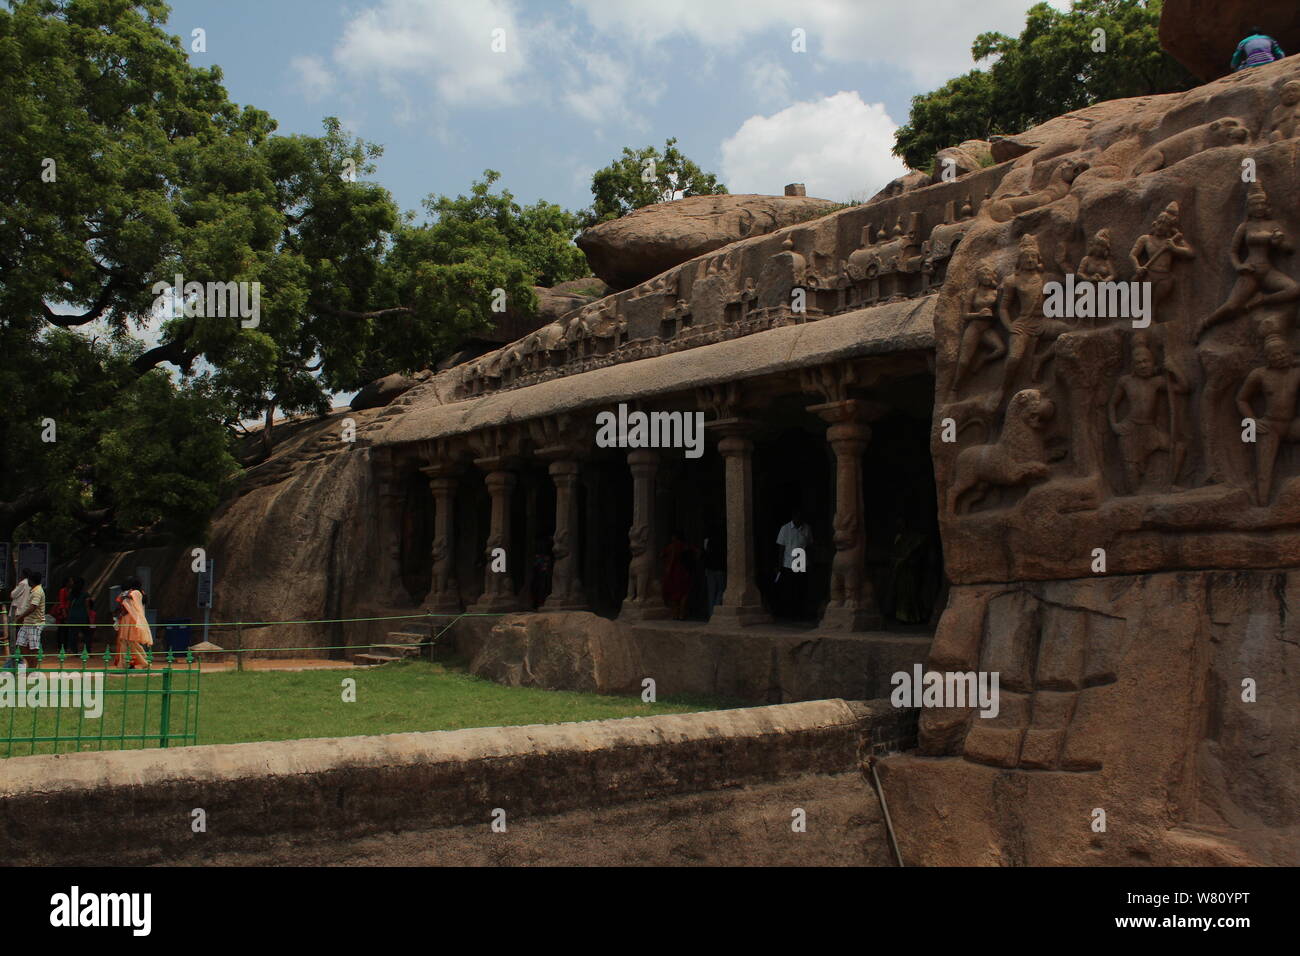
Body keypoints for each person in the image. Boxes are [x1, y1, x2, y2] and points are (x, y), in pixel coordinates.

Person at [775, 508, 814, 621]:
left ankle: (800, 613)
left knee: (801, 589)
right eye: (797, 517)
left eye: (800, 518)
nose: (799, 520)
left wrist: (810, 563)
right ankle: (788, 614)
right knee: (789, 590)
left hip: (802, 564)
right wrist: (779, 566)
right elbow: (781, 548)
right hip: (788, 565)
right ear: (793, 517)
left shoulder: (807, 528)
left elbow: (809, 547)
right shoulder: (785, 529)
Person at [111, 577, 152, 669]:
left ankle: (145, 662)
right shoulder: (135, 593)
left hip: (131, 620)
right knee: (125, 642)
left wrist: (125, 597)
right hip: (127, 619)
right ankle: (123, 664)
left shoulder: (135, 593)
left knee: (131, 643)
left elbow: (131, 606)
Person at [14, 570, 46, 669]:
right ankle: (30, 666)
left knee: (33, 649)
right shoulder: (34, 590)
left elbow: (33, 607)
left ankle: (32, 670)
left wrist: (20, 617)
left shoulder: (38, 591)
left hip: (35, 623)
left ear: (30, 581)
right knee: (20, 645)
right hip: (27, 623)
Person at [661, 531, 695, 620]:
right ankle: (682, 614)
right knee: (684, 593)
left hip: (675, 572)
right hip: (685, 572)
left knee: (675, 594)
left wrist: (668, 568)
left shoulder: (672, 546)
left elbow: (664, 555)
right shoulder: (686, 546)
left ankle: (675, 614)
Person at [702, 523, 726, 617]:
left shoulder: (707, 541)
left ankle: (711, 613)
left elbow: (705, 554)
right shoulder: (723, 539)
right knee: (721, 589)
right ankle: (716, 610)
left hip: (710, 568)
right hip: (719, 568)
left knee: (711, 591)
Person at [64, 577, 91, 658]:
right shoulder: (85, 594)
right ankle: (87, 651)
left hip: (73, 616)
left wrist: (69, 614)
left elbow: (68, 606)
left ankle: (74, 651)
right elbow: (87, 606)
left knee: (73, 634)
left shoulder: (71, 593)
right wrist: (88, 615)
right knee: (87, 634)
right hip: (83, 616)